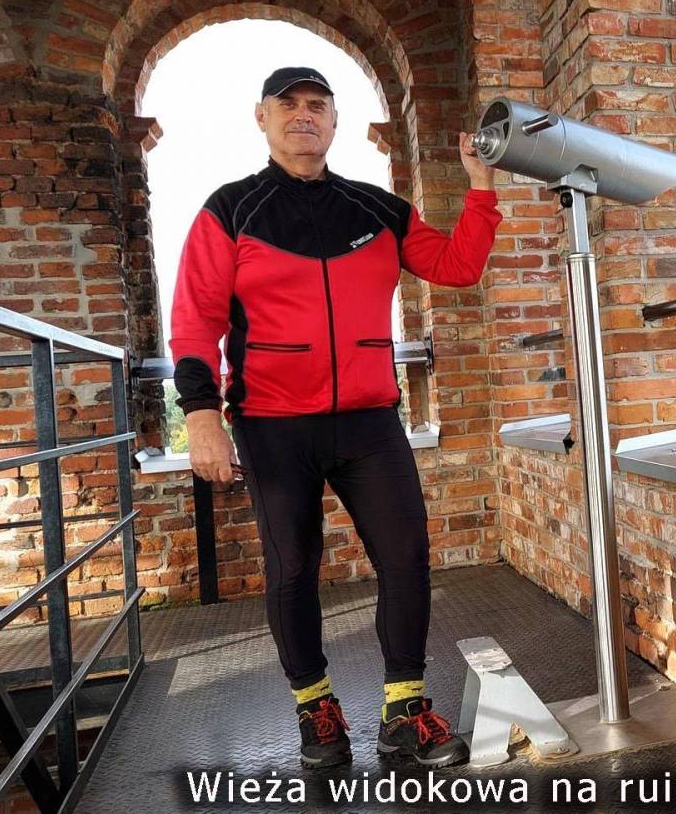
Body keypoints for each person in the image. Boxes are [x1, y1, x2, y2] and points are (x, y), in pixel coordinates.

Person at [168, 66, 501, 769]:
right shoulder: (231, 209)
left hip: (369, 421)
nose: (303, 116)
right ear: (262, 117)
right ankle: (317, 713)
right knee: (293, 568)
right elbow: (195, 320)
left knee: (406, 559)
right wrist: (201, 415)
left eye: (317, 105)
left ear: (334, 120)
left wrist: (480, 186)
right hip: (271, 424)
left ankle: (404, 714)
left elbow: (457, 266)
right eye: (287, 104)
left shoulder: (377, 209)